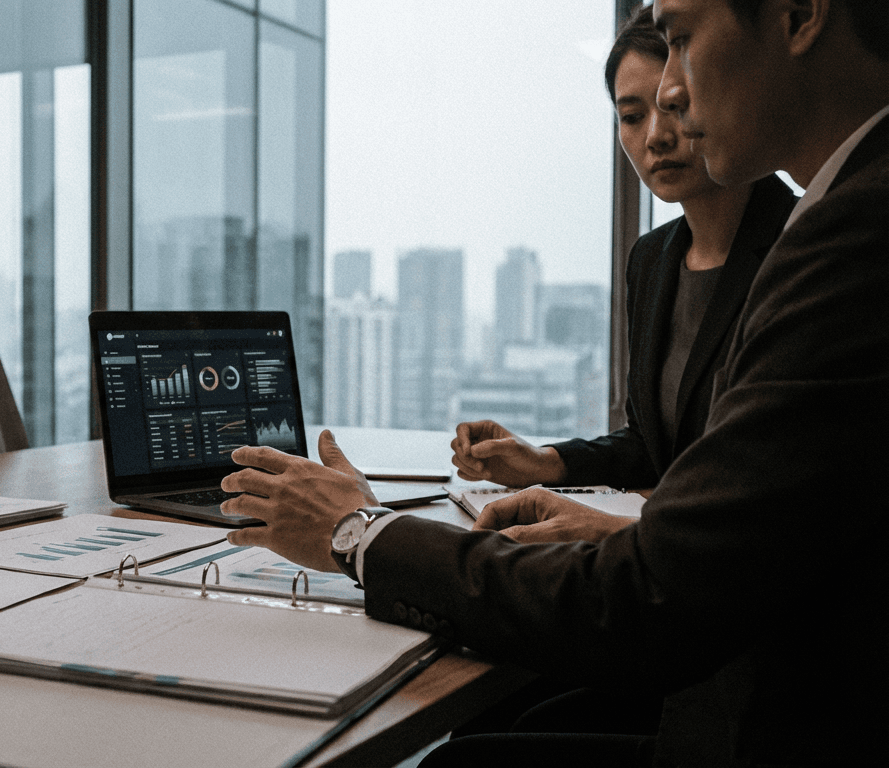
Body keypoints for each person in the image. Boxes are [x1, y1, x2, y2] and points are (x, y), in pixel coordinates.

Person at [221, 1, 889, 765]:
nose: (674, 97)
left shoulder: (851, 237)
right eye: (632, 111)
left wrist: (359, 532)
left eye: (678, 38)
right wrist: (587, 492)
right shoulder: (760, 234)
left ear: (800, 14)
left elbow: (650, 603)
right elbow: (720, 489)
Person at [450, 4, 797, 547]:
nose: (657, 136)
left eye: (674, 105)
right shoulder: (652, 259)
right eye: (632, 116)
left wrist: (616, 529)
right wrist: (544, 461)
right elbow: (650, 447)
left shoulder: (801, 242)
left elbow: (778, 486)